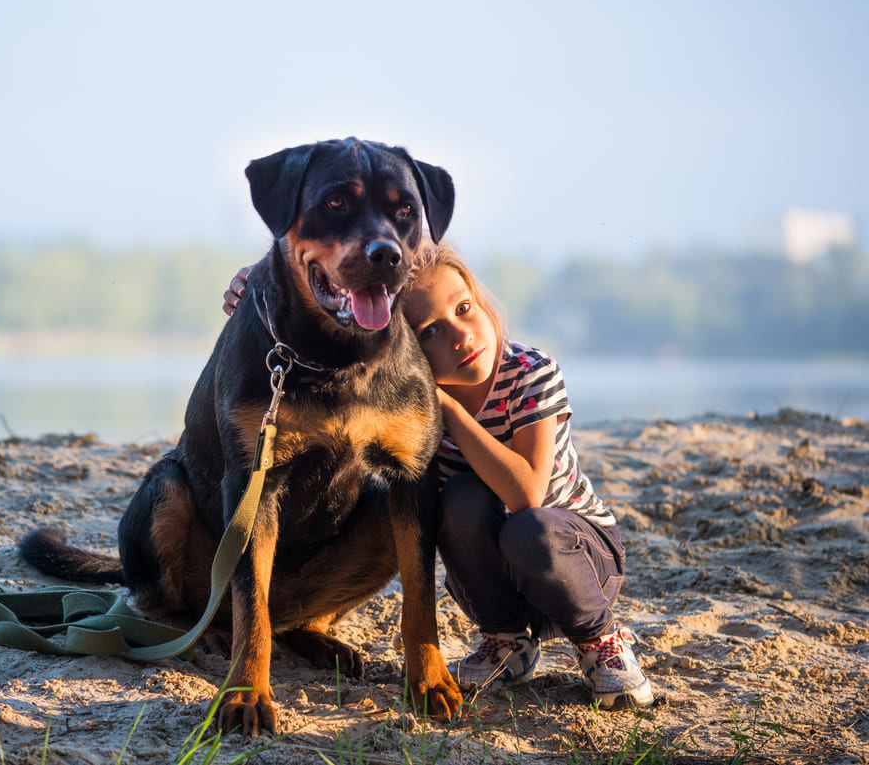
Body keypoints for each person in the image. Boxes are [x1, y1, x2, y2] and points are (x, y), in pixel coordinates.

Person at [223, 244, 654, 709]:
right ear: (401, 347)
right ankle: (506, 638)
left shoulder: (530, 374)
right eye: (430, 331)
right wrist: (266, 283)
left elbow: (527, 493)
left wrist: (444, 405)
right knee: (460, 498)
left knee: (531, 529)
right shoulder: (406, 400)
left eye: (464, 309)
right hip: (502, 577)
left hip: (579, 563)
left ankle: (601, 641)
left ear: (483, 301)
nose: (460, 336)